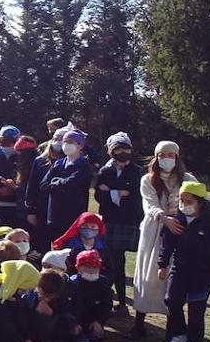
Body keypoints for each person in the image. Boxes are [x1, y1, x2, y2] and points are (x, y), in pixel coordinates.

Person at [157, 181, 210, 342]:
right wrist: (162, 264)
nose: (185, 205)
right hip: (180, 269)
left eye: (189, 201)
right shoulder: (177, 221)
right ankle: (180, 333)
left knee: (196, 308)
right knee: (171, 300)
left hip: (203, 273)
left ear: (200, 203)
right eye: (182, 200)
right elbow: (166, 245)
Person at [95, 132, 143, 315]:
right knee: (110, 261)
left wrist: (112, 192)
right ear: (110, 150)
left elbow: (136, 195)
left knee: (120, 262)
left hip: (129, 220)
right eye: (118, 148)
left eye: (126, 148)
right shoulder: (105, 171)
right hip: (109, 219)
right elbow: (99, 195)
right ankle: (110, 300)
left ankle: (122, 302)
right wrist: (121, 192)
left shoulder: (137, 171)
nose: (122, 152)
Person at [40, 127, 94, 243]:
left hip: (73, 218)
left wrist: (55, 182)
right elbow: (43, 185)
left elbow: (72, 184)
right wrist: (60, 183)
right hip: (54, 217)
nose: (66, 145)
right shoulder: (58, 164)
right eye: (65, 141)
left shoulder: (84, 166)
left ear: (80, 146)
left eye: (70, 142)